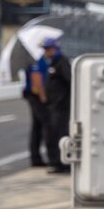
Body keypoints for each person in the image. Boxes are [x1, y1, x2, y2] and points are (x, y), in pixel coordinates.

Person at [42, 37, 71, 174]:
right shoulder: (53, 63)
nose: (46, 52)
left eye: (48, 49)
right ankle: (57, 163)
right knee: (53, 134)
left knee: (60, 134)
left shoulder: (62, 62)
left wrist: (63, 100)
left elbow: (70, 81)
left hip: (61, 106)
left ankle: (62, 163)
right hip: (54, 105)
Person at [22, 57, 49, 167]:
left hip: (35, 95)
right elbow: (36, 80)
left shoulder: (40, 59)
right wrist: (43, 97)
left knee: (37, 127)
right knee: (46, 124)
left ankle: (36, 157)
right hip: (36, 96)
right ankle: (48, 156)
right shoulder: (35, 60)